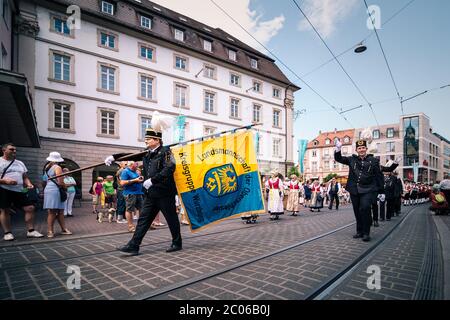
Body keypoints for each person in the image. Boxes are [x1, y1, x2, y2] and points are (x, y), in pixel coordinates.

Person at [105, 127, 182, 255]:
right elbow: (131, 155)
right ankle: (134, 245)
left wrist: (153, 180)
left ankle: (177, 242)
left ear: (157, 140)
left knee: (171, 219)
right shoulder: (147, 153)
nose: (145, 141)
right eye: (145, 139)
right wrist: (114, 157)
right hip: (150, 194)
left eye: (148, 139)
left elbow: (170, 168)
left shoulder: (166, 151)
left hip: (164, 193)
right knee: (143, 220)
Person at [334, 137, 384, 242]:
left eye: (363, 148)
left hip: (368, 189)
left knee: (365, 209)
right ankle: (359, 231)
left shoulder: (373, 161)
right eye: (359, 148)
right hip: (354, 189)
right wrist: (338, 149)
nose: (361, 150)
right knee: (357, 211)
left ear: (366, 149)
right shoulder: (352, 159)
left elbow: (379, 176)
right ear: (356, 150)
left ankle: (366, 233)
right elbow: (339, 159)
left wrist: (381, 191)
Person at [0, 143, 44, 241]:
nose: (14, 151)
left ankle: (31, 231)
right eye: (11, 149)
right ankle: (7, 233)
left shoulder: (20, 163)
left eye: (15, 149)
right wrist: (5, 181)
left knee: (30, 208)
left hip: (19, 190)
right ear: (4, 150)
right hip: (4, 189)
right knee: (5, 210)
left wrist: (28, 184)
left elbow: (25, 177)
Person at [43, 152, 72, 238]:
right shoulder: (57, 167)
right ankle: (50, 231)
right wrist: (67, 186)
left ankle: (60, 230)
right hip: (56, 190)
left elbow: (44, 181)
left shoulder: (46, 167)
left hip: (49, 189)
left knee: (56, 211)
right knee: (56, 212)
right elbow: (60, 182)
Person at [120, 161, 144, 232]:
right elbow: (122, 183)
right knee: (129, 210)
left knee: (142, 209)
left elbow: (137, 180)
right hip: (130, 193)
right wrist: (135, 180)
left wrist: (140, 179)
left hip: (138, 192)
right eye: (136, 165)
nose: (137, 166)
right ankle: (131, 226)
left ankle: (143, 225)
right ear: (131, 165)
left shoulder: (135, 171)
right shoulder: (125, 171)